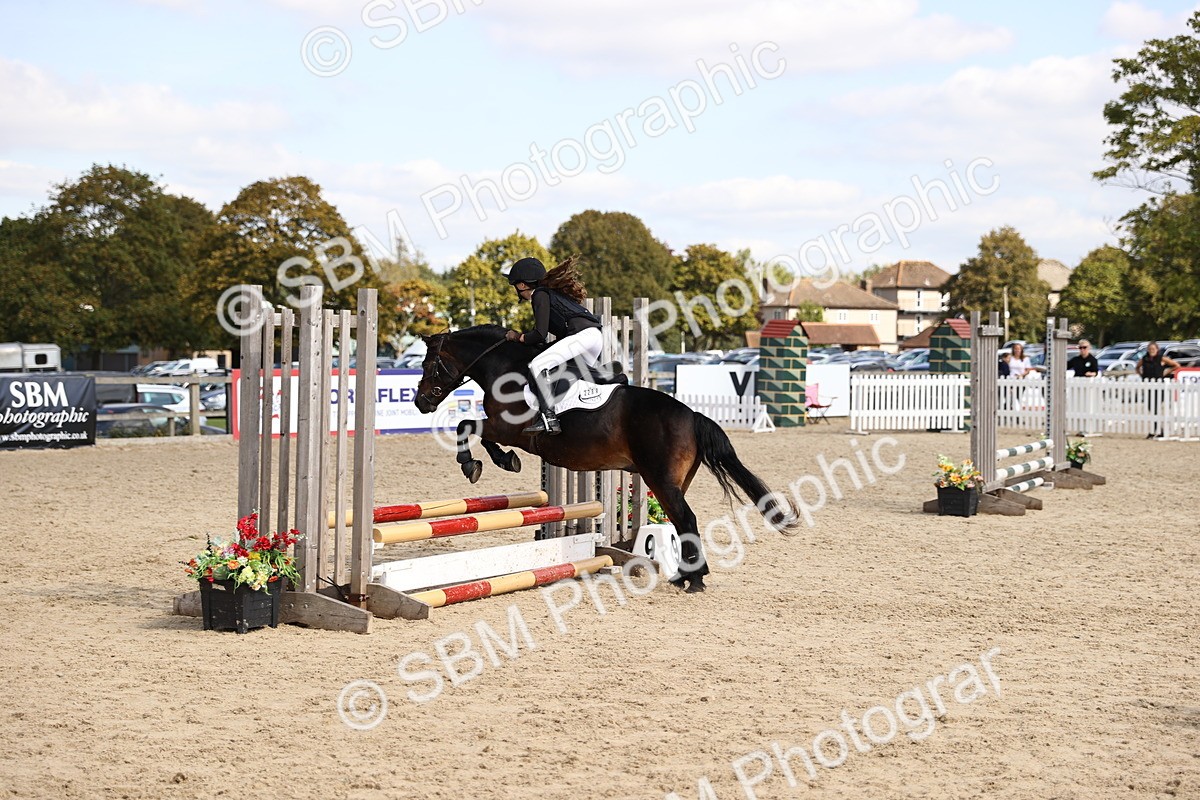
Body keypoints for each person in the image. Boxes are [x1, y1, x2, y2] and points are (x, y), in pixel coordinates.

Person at [504, 256, 603, 435]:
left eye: (515, 287)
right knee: (566, 374)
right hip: (594, 338)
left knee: (537, 365)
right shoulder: (551, 294)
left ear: (522, 285)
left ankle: (549, 419)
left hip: (582, 336)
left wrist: (517, 337)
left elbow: (539, 334)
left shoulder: (539, 294)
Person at [1136, 342, 1179, 439]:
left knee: (1156, 409)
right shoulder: (1144, 359)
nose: (1151, 350)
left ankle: (1158, 430)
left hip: (1159, 386)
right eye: (1150, 349)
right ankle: (1156, 429)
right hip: (1148, 385)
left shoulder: (1162, 358)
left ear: (1157, 349)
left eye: (1153, 349)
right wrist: (1142, 375)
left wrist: (1166, 372)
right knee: (1151, 409)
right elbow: (1137, 367)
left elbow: (1176, 365)